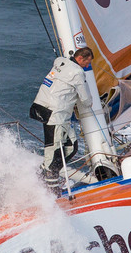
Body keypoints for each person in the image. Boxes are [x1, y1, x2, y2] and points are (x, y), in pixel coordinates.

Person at [30, 47, 94, 186]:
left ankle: (41, 173)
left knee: (72, 146)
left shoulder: (59, 61)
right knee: (54, 152)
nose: (87, 66)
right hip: (55, 115)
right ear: (80, 59)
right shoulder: (78, 73)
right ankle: (50, 190)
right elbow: (86, 100)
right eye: (87, 62)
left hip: (42, 108)